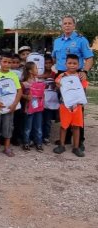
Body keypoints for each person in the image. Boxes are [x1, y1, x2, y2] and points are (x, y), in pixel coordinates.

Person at [52, 16, 94, 150]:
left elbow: (89, 58)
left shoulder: (81, 40)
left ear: (74, 25)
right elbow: (55, 57)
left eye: (70, 23)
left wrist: (85, 72)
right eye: (65, 23)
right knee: (64, 107)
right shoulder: (57, 41)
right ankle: (66, 138)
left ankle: (80, 140)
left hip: (77, 77)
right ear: (62, 26)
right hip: (62, 76)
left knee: (77, 107)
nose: (67, 25)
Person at [0, 52, 22, 158]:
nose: (7, 64)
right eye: (5, 62)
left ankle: (7, 148)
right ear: (0, 62)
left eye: (9, 62)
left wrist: (14, 104)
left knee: (8, 127)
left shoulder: (13, 75)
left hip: (9, 107)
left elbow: (19, 90)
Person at [53, 54, 88, 157]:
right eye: (70, 63)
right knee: (64, 126)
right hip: (65, 105)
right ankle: (62, 145)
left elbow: (83, 90)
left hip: (77, 106)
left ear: (78, 64)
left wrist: (81, 103)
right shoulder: (61, 76)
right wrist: (58, 86)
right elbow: (57, 88)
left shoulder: (80, 77)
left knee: (76, 127)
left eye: (74, 63)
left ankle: (76, 147)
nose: (72, 65)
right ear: (65, 64)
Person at [21, 62, 44, 152]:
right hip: (28, 108)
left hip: (38, 107)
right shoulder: (24, 83)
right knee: (28, 126)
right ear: (30, 71)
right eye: (36, 68)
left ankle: (38, 142)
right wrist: (26, 96)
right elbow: (19, 94)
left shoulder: (39, 81)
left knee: (38, 126)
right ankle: (26, 142)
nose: (37, 70)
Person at [41, 54, 58, 145]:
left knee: (47, 121)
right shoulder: (39, 74)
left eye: (49, 63)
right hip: (40, 102)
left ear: (52, 63)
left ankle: (46, 137)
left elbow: (58, 86)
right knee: (39, 120)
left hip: (50, 102)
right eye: (45, 63)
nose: (47, 65)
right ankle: (38, 136)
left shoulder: (55, 75)